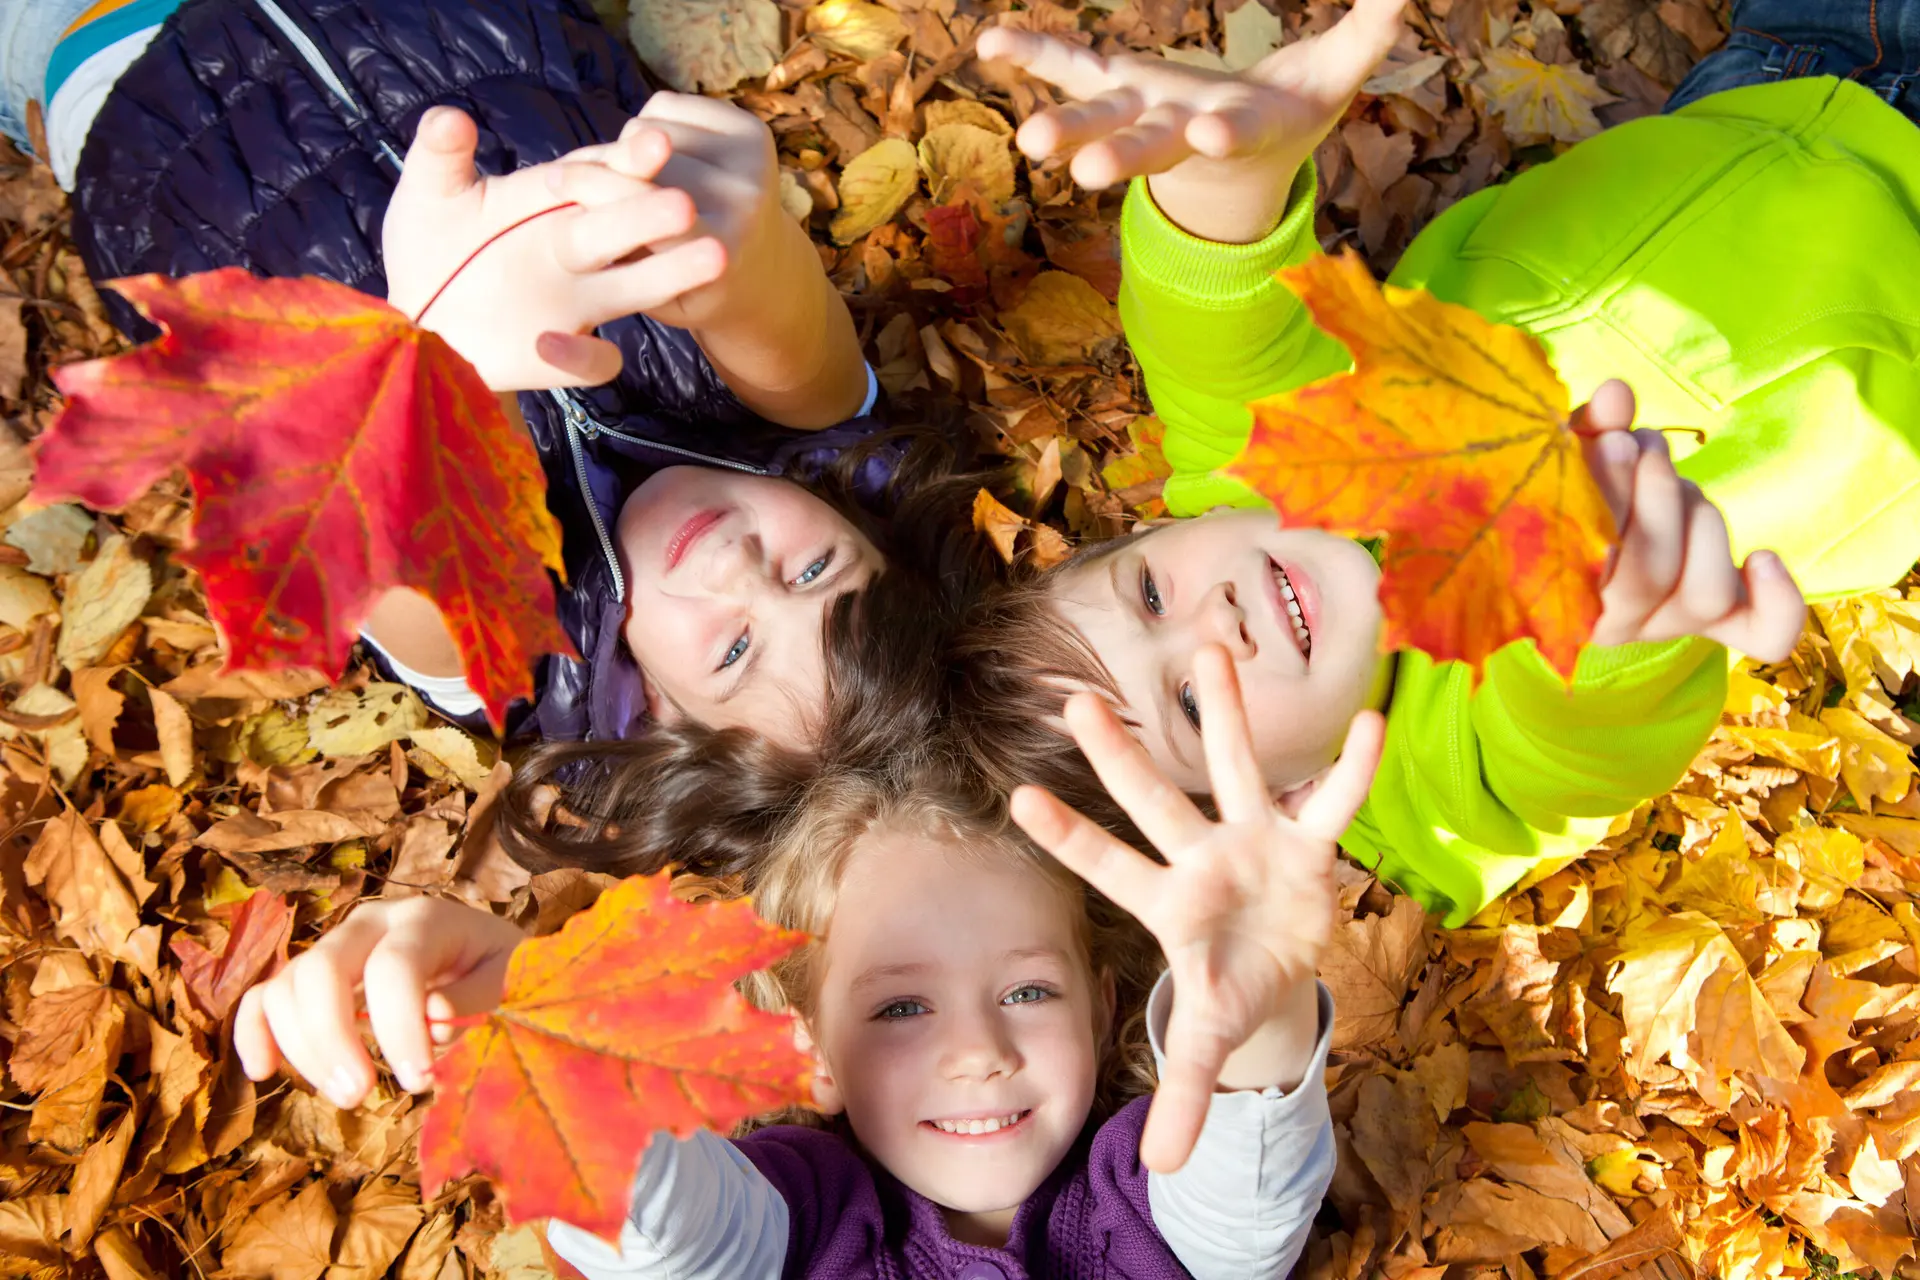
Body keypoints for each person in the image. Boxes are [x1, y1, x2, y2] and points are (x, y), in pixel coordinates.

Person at [954, 0, 1920, 926]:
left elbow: (1214, 322)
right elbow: (1562, 752)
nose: (1219, 624)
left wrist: (1220, 174)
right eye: (1193, 704)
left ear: (1166, 527)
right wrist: (1607, 625)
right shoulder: (1439, 785)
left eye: (1153, 596)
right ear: (1287, 797)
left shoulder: (1265, 465)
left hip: (1787, 71)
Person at [0, 0, 983, 748]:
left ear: (657, 718)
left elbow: (399, 536)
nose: (739, 567)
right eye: (818, 568)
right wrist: (729, 236)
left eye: (734, 651)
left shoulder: (499, 653)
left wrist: (448, 375)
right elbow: (778, 319)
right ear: (862, 521)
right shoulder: (800, 430)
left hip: (129, 64)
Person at [233, 646, 1380, 1279]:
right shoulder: (809, 1222)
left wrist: (1260, 1002)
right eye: (899, 1007)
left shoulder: (1130, 1206)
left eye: (1028, 989)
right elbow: (687, 1234)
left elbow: (1240, 1200)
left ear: (1106, 1004)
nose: (978, 1050)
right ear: (807, 1051)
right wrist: (532, 1023)